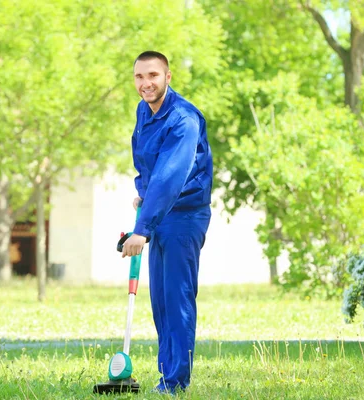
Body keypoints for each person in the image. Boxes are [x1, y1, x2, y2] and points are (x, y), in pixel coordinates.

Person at [120, 51, 213, 394]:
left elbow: (172, 175)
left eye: (153, 75)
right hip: (159, 212)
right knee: (160, 301)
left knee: (176, 299)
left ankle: (175, 383)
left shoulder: (183, 119)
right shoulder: (144, 111)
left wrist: (142, 229)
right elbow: (149, 165)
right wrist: (143, 195)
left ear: (168, 77)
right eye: (139, 77)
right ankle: (167, 377)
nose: (146, 83)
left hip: (184, 215)